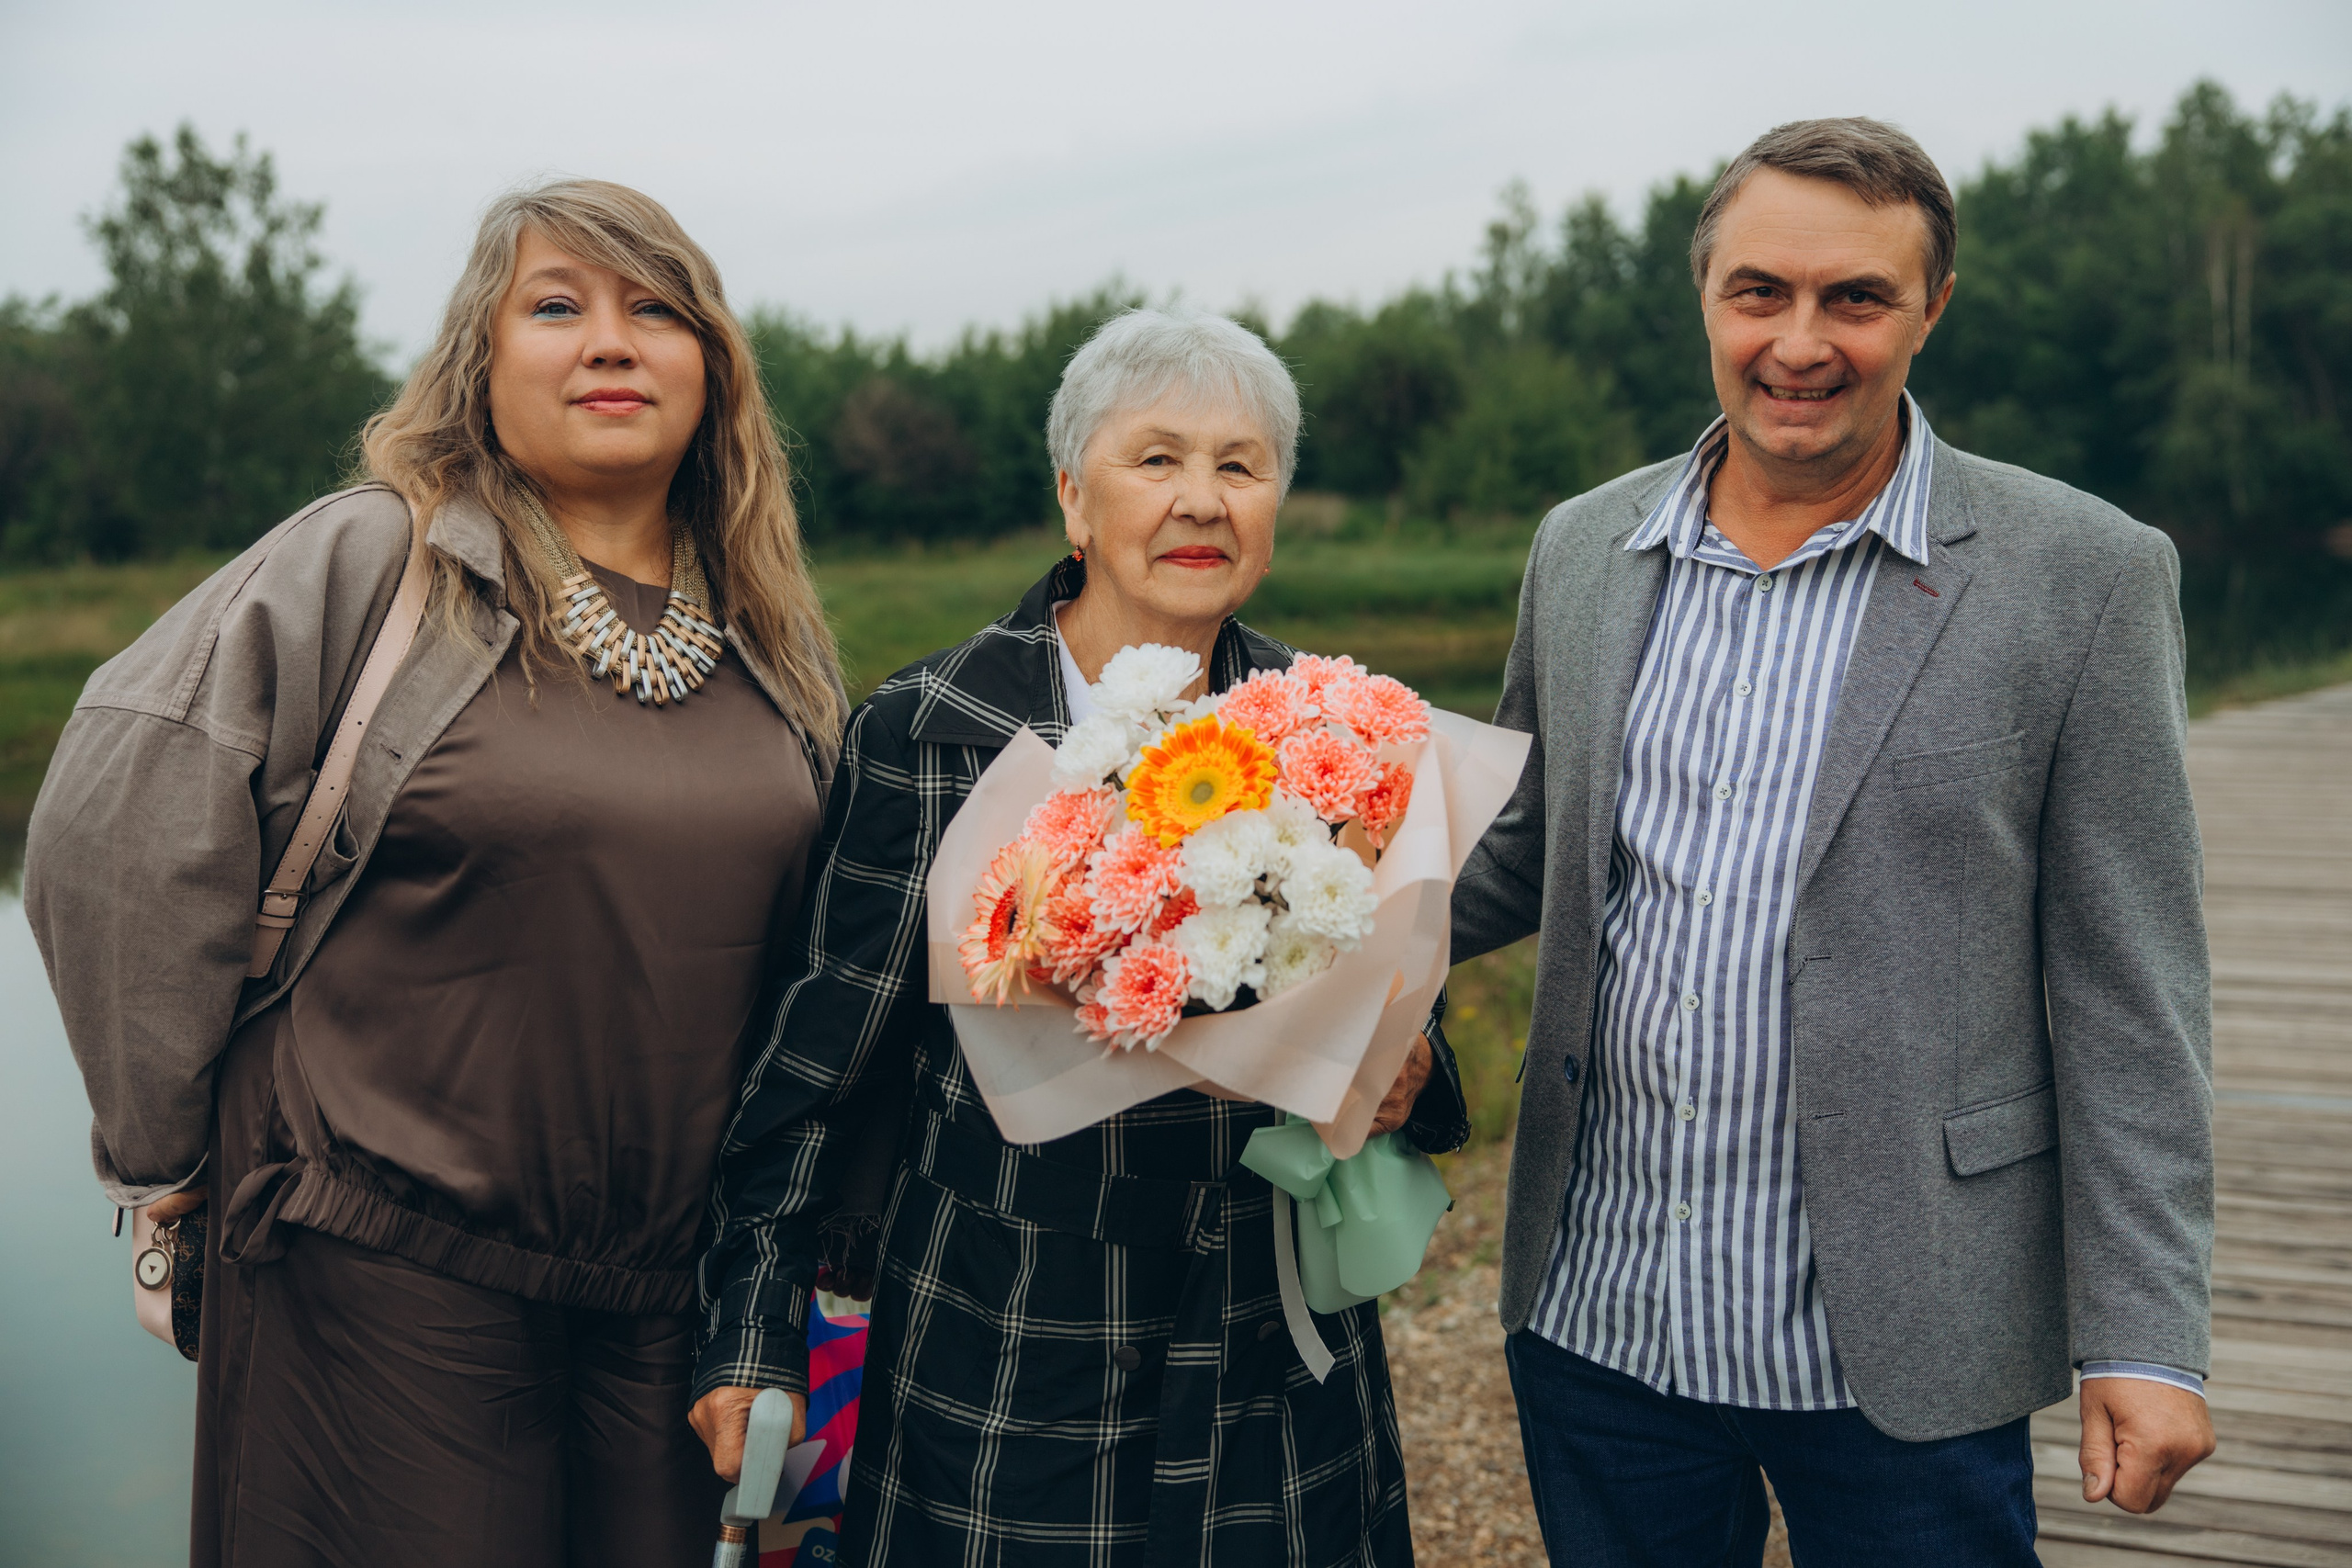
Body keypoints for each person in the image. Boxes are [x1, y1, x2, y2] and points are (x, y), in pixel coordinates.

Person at [27, 178, 846, 1568]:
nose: (609, 341)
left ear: (712, 370)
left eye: (656, 310)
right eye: (556, 306)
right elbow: (117, 815)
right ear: (481, 362)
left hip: (674, 1297)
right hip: (380, 1264)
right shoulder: (376, 562)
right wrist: (160, 1160)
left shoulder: (773, 636)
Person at [1452, 118, 2216, 1564]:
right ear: (1707, 300)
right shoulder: (1582, 551)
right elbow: (1520, 852)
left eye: (1855, 298)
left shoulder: (2090, 576)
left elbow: (2135, 994)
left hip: (1906, 1338)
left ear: (1931, 307)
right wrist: (1251, 910)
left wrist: (2149, 1338)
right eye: (1761, 293)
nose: (1800, 342)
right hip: (1601, 1316)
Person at [690, 307, 1467, 1566]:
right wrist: (753, 1333)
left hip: (1265, 1350)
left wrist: (1409, 1074)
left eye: (1241, 464)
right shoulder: (933, 731)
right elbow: (813, 1070)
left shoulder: (1339, 736)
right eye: (1156, 460)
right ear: (1073, 499)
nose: (1202, 500)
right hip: (1007, 1349)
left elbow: (1399, 1000)